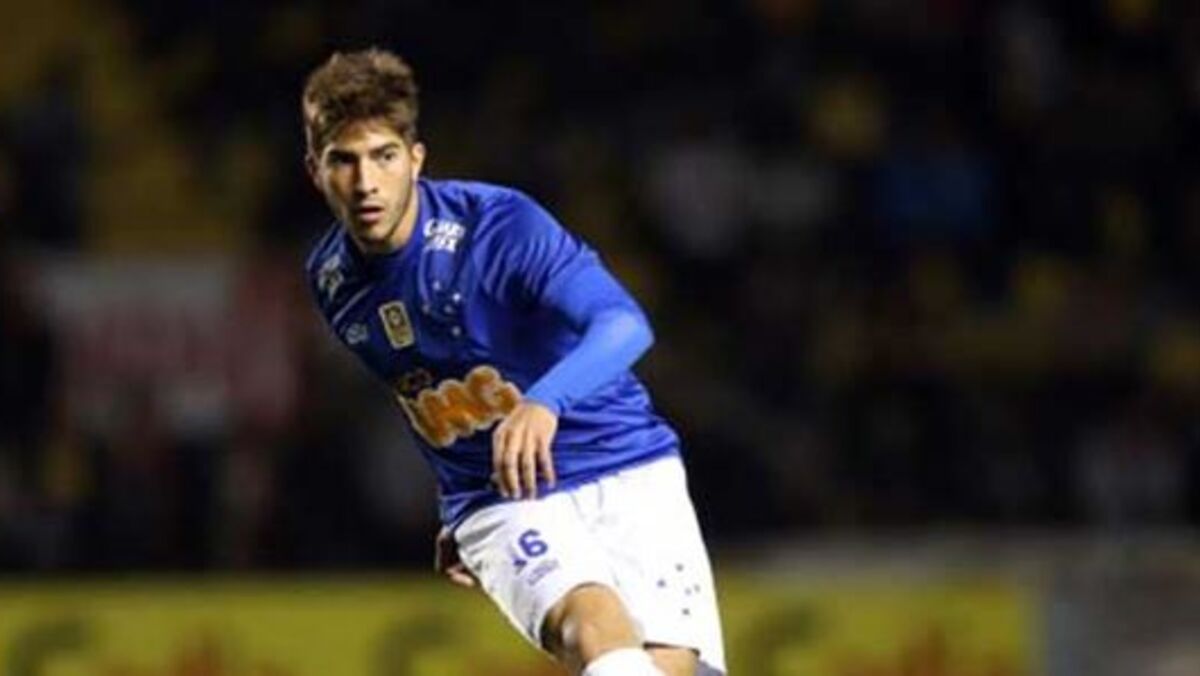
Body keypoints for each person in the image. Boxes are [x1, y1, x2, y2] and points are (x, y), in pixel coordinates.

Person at [301, 48, 726, 676]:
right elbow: (421, 386)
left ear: (416, 159)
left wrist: (544, 402)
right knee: (591, 627)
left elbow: (623, 324)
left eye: (384, 156)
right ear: (315, 170)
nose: (366, 183)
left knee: (670, 667)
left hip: (626, 459)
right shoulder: (332, 280)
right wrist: (461, 502)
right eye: (344, 160)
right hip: (505, 495)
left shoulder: (499, 227)